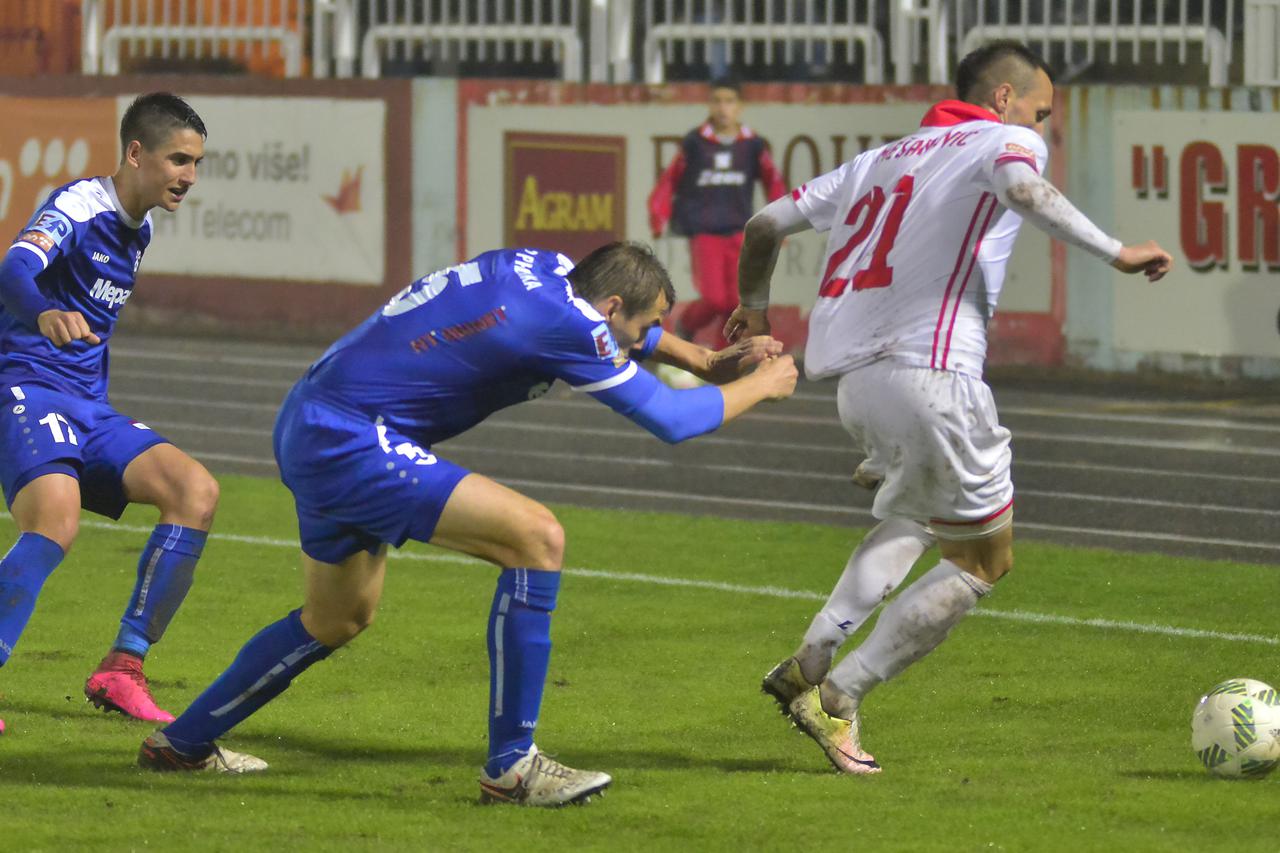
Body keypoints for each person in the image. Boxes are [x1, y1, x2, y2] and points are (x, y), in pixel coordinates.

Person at [137, 242, 798, 806]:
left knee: (336, 615)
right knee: (537, 538)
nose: (636, 344)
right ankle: (512, 765)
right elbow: (674, 421)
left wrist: (706, 362)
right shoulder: (577, 326)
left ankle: (182, 743)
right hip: (351, 439)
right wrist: (763, 385)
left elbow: (629, 333)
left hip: (315, 416)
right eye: (639, 326)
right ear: (610, 310)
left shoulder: (552, 267)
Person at [726, 41, 1173, 774]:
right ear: (1003, 99)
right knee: (983, 559)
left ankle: (810, 656)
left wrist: (754, 308)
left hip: (853, 389)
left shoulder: (879, 159)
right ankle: (838, 698)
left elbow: (762, 228)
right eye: (1042, 109)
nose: (1044, 127)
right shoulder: (1005, 139)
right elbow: (1026, 193)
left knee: (914, 518)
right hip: (933, 377)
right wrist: (1118, 251)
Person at [0, 93, 213, 734]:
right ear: (136, 152)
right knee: (56, 522)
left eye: (197, 163)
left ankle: (124, 667)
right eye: (179, 159)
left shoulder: (138, 229)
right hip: (29, 390)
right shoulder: (79, 205)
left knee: (195, 491)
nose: (189, 176)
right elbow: (15, 266)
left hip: (88, 408)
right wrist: (42, 312)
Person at [648, 78, 786, 350]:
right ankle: (685, 325)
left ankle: (725, 363)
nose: (723, 107)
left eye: (729, 101)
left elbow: (774, 181)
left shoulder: (752, 145)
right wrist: (658, 213)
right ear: (710, 105)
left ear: (740, 107)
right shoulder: (695, 143)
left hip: (739, 232)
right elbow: (670, 179)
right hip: (705, 232)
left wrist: (781, 222)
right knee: (713, 299)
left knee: (736, 303)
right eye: (717, 101)